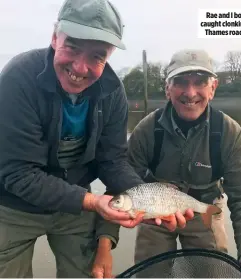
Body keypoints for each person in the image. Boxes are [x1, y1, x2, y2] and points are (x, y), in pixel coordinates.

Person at [0, 0, 195, 277]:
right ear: (55, 37)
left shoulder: (113, 92)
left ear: (110, 55)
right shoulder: (18, 79)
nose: (80, 67)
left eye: (97, 56)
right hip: (14, 204)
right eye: (73, 47)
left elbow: (112, 161)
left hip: (75, 204)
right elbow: (19, 174)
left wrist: (147, 200)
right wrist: (93, 202)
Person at [127, 49, 241, 278]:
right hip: (156, 211)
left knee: (212, 274)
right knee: (150, 274)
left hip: (205, 208)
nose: (190, 93)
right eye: (180, 82)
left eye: (200, 82)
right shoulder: (146, 130)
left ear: (213, 87)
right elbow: (123, 182)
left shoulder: (228, 132)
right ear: (168, 88)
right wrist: (106, 242)